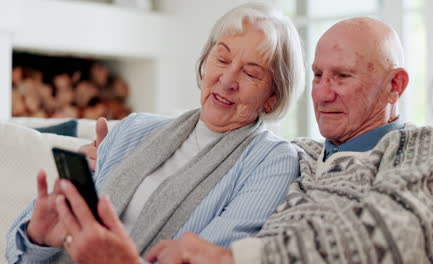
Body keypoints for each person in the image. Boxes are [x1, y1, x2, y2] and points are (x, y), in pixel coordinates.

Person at [142, 17, 433, 264]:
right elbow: (213, 145)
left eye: (342, 76)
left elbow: (395, 237)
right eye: (317, 75)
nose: (322, 94)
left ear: (395, 85)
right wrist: (137, 145)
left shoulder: (427, 148)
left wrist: (232, 259)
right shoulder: (297, 154)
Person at [5, 3, 306, 263]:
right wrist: (38, 237)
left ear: (273, 97)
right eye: (222, 59)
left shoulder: (274, 160)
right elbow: (18, 250)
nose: (227, 79)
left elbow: (210, 258)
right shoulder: (135, 128)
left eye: (251, 72)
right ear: (205, 61)